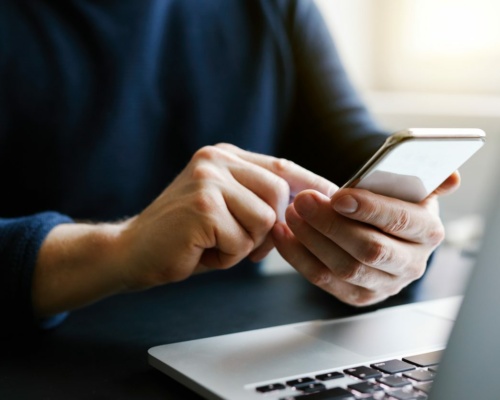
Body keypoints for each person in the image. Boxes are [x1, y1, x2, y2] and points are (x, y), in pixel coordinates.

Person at [0, 0, 459, 337]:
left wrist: (400, 234)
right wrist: (121, 250)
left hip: (227, 350)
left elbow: (349, 147)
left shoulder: (272, 10)